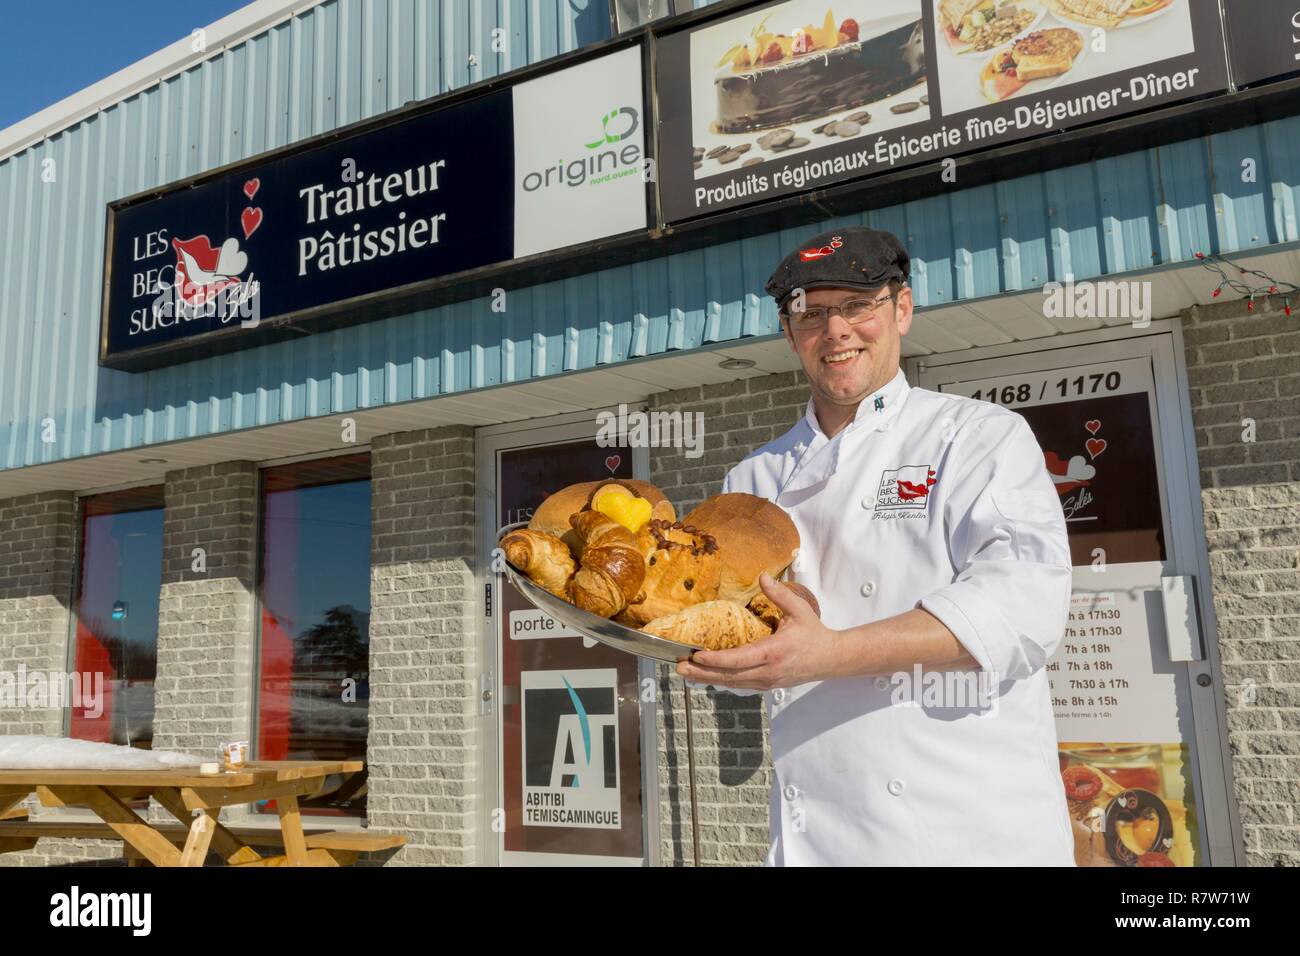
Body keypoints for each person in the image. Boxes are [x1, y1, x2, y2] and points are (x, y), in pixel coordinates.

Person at [677, 226, 1075, 866]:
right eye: (810, 313)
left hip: (966, 834)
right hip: (816, 838)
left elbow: (1023, 612)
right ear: (789, 333)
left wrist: (829, 654)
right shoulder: (750, 480)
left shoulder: (976, 437)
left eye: (858, 305)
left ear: (903, 309)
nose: (835, 331)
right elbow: (734, 621)